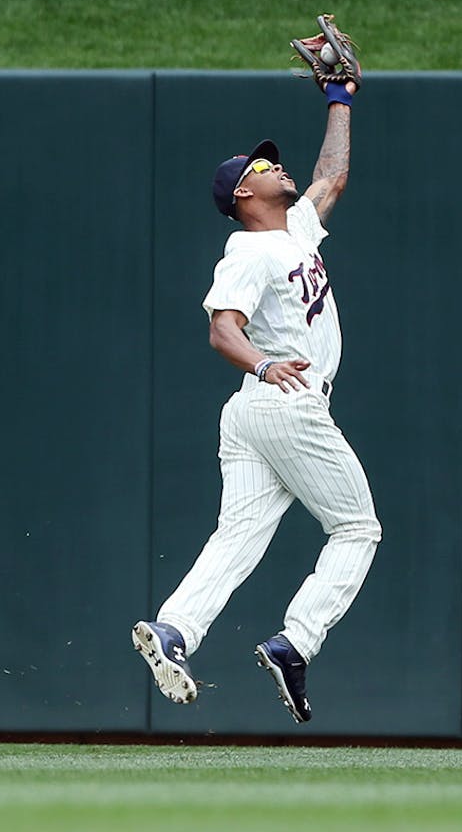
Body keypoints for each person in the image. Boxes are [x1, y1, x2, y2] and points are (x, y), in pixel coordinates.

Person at [132, 78, 382, 724]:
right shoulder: (246, 249)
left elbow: (332, 175)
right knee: (356, 527)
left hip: (252, 414)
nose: (279, 165)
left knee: (239, 530)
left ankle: (174, 630)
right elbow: (223, 327)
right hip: (285, 398)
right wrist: (265, 361)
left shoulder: (294, 229)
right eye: (264, 165)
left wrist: (341, 97)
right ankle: (295, 643)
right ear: (244, 192)